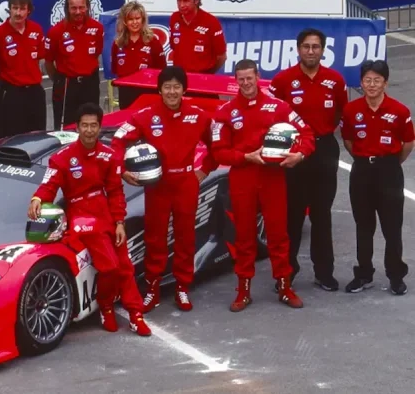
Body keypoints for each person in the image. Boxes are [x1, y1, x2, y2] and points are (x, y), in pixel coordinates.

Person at [28, 102, 151, 337]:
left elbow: (115, 191)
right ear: (78, 128)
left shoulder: (109, 155)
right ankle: (105, 307)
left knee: (124, 265)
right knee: (111, 266)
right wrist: (37, 198)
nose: (89, 130)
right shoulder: (62, 158)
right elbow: (49, 184)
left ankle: (135, 314)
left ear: (99, 126)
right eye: (84, 125)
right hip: (81, 215)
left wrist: (119, 222)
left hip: (104, 211)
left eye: (93, 125)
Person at [210, 59, 314, 312]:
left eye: (250, 77)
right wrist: (244, 157)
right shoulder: (225, 112)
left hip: (272, 178)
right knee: (244, 236)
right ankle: (243, 290)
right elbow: (218, 151)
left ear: (258, 76)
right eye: (241, 79)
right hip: (243, 178)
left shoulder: (278, 107)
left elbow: (307, 134)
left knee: (279, 234)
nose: (246, 83)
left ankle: (284, 286)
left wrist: (298, 155)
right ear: (236, 81)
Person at [110, 66, 217, 312]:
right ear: (159, 89)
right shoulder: (145, 115)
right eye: (167, 87)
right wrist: (122, 170)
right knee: (155, 238)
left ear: (183, 89)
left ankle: (182, 288)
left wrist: (204, 170)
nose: (171, 92)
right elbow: (118, 140)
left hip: (186, 184)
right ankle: (152, 288)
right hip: (156, 185)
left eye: (176, 86)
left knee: (185, 237)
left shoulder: (198, 115)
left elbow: (218, 144)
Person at [268, 28, 348, 292]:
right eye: (306, 46)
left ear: (323, 50)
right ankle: (286, 272)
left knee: (321, 214)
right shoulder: (283, 80)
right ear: (298, 49)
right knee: (291, 216)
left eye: (315, 47)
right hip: (293, 153)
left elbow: (339, 113)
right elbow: (273, 117)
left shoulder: (335, 80)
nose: (311, 51)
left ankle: (324, 272)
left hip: (324, 150)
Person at [341, 60, 414, 296]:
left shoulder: (399, 111)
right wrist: (366, 160)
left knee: (392, 227)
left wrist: (389, 163)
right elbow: (349, 142)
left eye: (377, 80)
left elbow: (408, 143)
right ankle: (363, 274)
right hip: (362, 172)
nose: (371, 85)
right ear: (361, 83)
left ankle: (395, 276)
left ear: (385, 83)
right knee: (364, 227)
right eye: (367, 80)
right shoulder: (351, 110)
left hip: (390, 172)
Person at [0, 0, 46, 139]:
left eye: (22, 8)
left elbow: (40, 60)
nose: (18, 13)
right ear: (10, 9)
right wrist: (6, 84)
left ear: (29, 10)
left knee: (38, 139)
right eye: (14, 8)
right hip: (11, 95)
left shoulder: (36, 30)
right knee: (10, 140)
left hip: (35, 93)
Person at [45, 0, 103, 130]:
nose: (78, 12)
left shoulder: (97, 28)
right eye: (74, 8)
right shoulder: (56, 31)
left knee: (92, 124)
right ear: (67, 8)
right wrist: (59, 80)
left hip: (90, 84)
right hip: (66, 85)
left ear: (87, 7)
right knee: (65, 129)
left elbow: (95, 56)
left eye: (81, 7)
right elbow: (48, 62)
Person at [111, 1, 167, 109]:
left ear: (143, 20)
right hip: (125, 93)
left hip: (147, 93)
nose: (134, 22)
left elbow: (161, 70)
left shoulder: (153, 41)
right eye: (130, 19)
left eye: (137, 18)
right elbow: (115, 70)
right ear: (125, 22)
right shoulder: (118, 44)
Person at [169, 0, 226, 74]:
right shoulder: (174, 18)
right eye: (179, 1)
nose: (181, 5)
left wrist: (208, 74)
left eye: (186, 1)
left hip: (202, 77)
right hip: (179, 78)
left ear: (196, 0)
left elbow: (221, 56)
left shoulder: (211, 22)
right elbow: (175, 48)